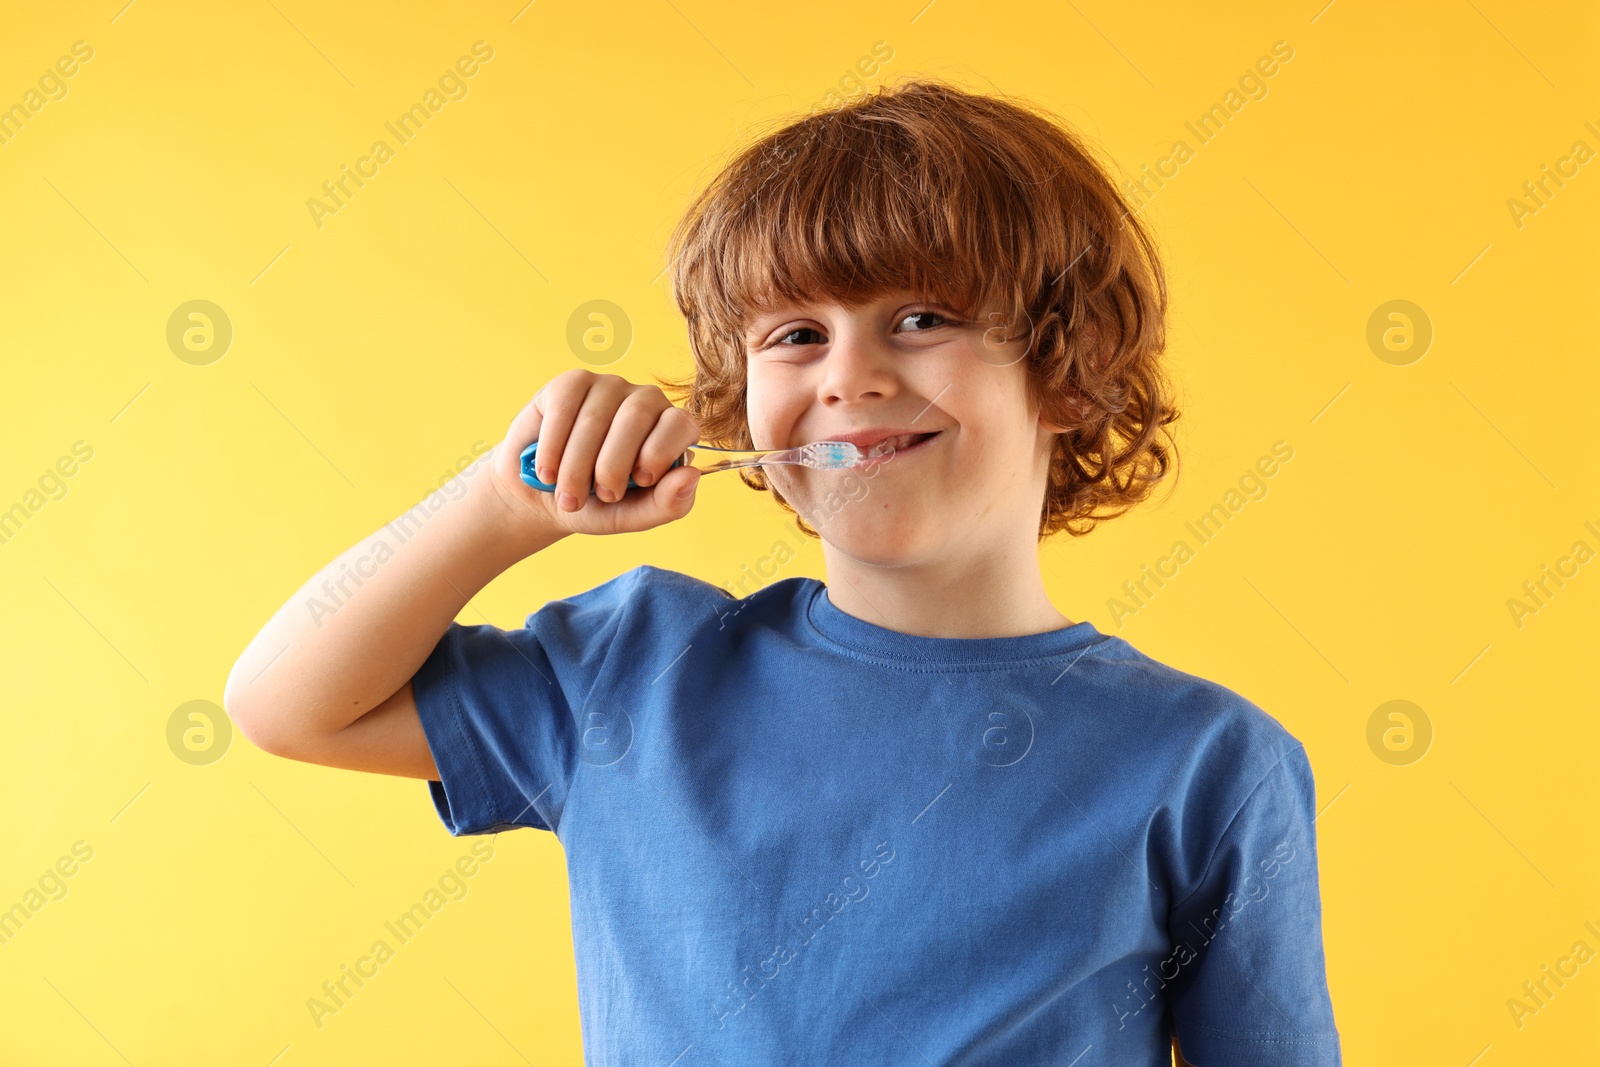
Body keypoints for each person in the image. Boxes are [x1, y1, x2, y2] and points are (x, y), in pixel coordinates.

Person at [225, 78, 1341, 1065]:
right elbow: (282, 702)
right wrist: (499, 503)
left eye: (920, 318)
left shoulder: (1208, 761)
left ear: (1065, 368)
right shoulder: (632, 671)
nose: (849, 374)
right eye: (795, 336)